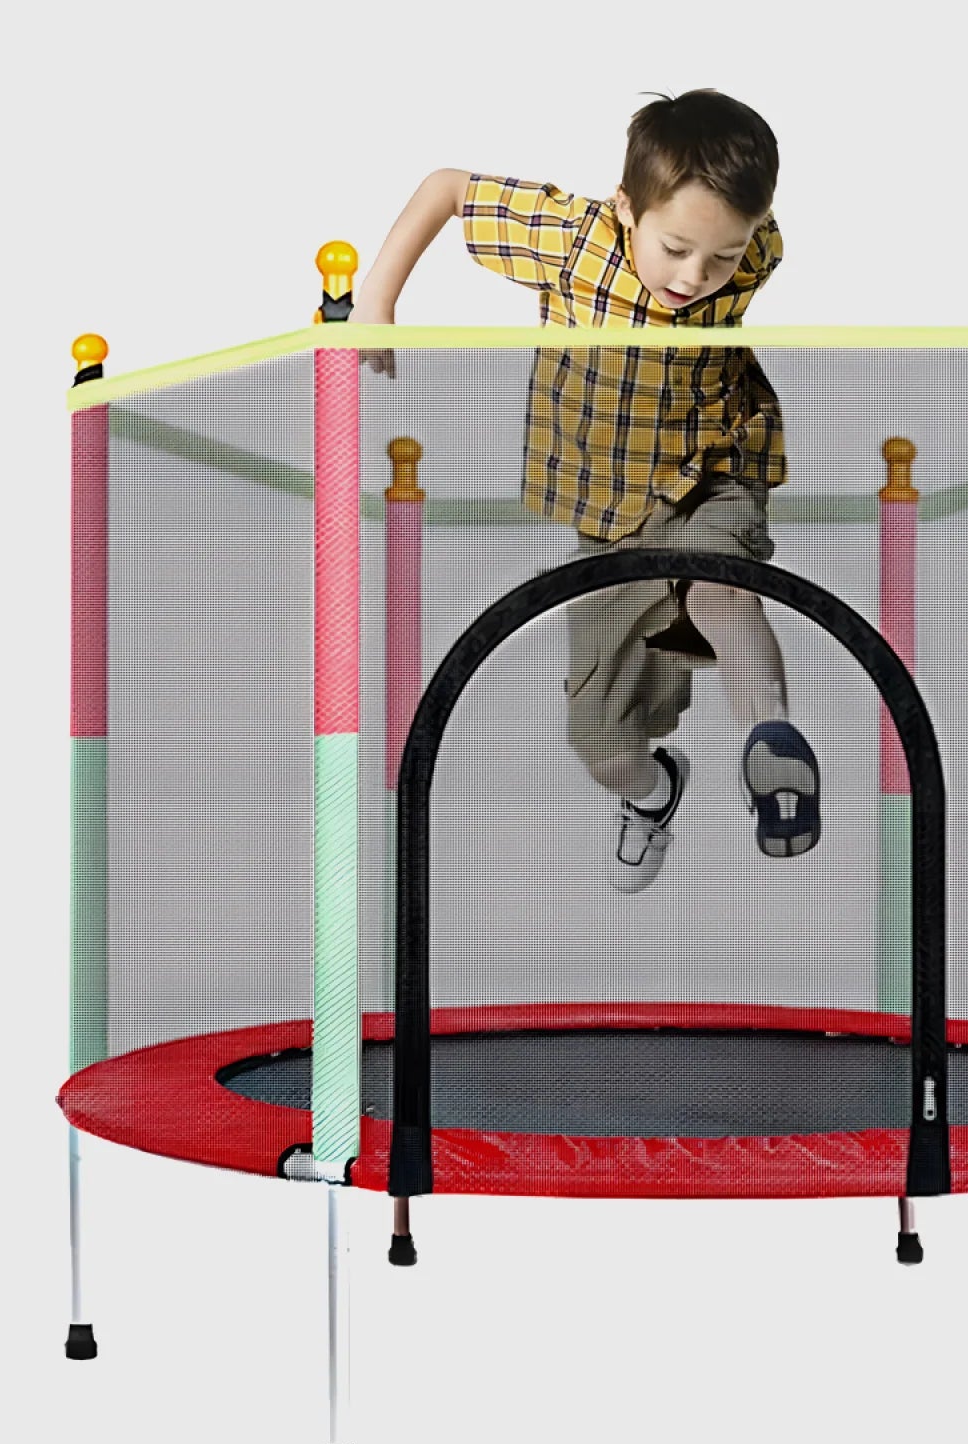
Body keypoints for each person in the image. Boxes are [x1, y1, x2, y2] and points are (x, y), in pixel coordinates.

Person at [350, 87, 821, 893]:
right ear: (626, 207)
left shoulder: (759, 247)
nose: (696, 276)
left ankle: (771, 744)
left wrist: (724, 251)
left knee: (722, 588)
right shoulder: (571, 239)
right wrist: (376, 299)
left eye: (722, 257)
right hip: (609, 516)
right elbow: (448, 187)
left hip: (713, 467)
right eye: (675, 248)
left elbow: (728, 241)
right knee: (599, 740)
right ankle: (652, 791)